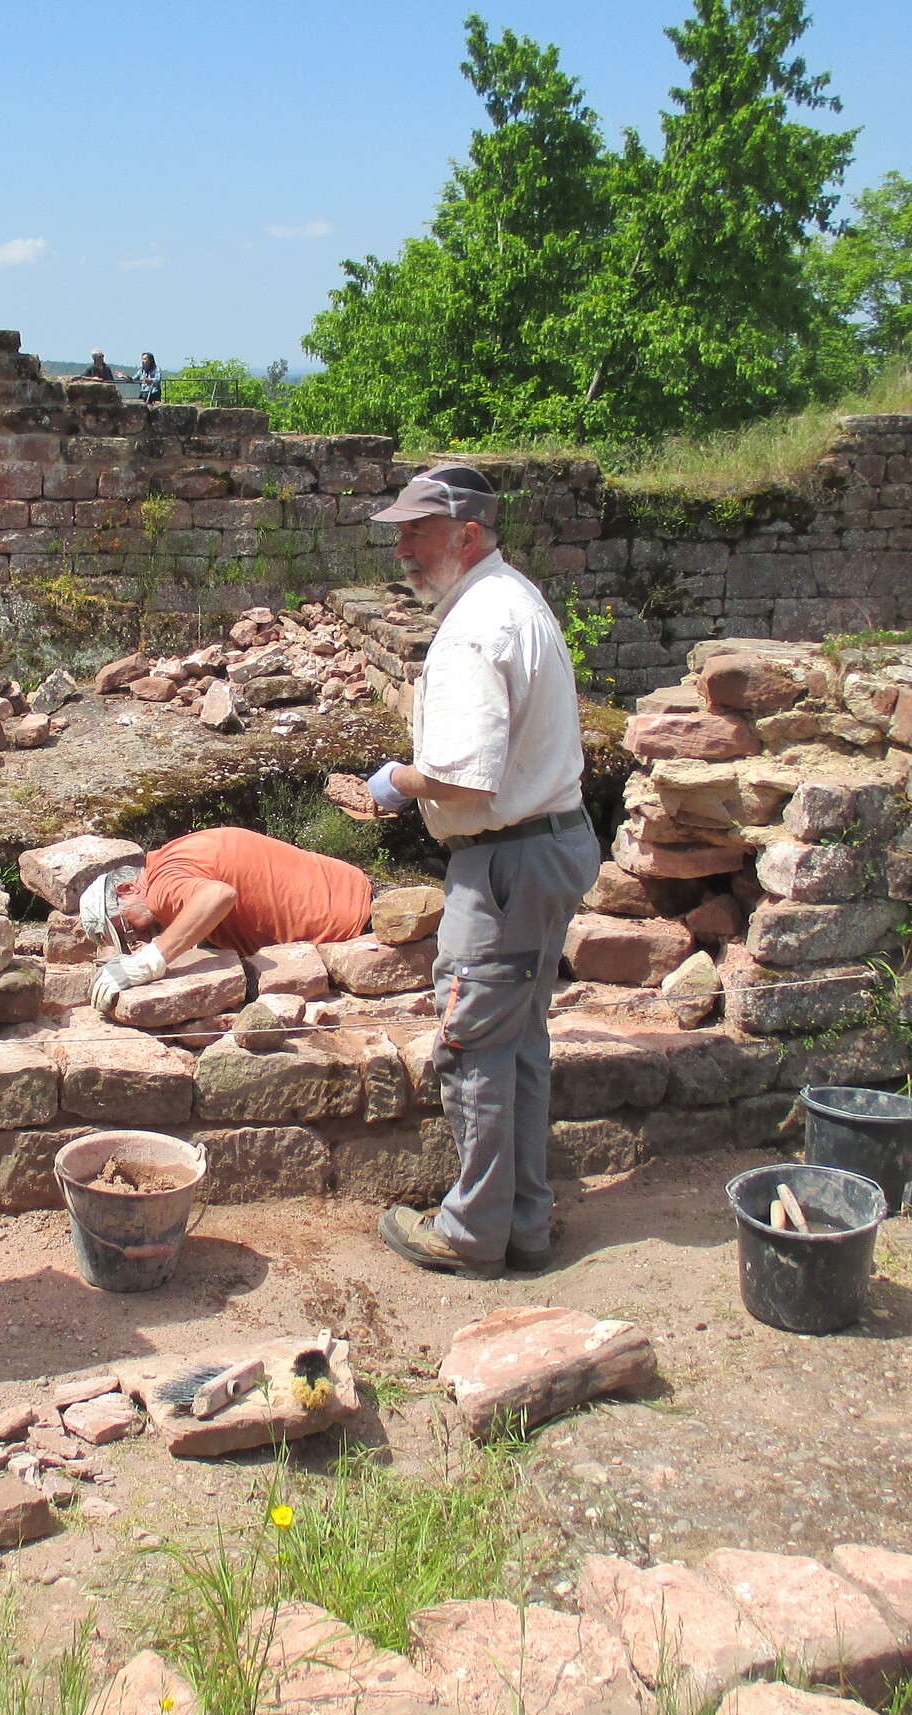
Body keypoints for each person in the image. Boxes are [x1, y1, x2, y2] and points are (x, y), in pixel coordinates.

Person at [359, 465, 597, 1279]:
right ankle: (523, 1222)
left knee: (471, 1048)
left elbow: (462, 781)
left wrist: (397, 783)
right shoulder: (515, 598)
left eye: (416, 533)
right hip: (553, 843)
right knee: (518, 1041)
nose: (401, 550)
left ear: (467, 534)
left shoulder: (470, 629)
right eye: (398, 534)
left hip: (505, 863)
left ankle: (471, 1234)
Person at [80, 827, 372, 1013]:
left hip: (352, 926)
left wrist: (149, 961)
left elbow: (219, 894)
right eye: (130, 942)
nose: (142, 938)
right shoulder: (173, 854)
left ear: (127, 889)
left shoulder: (160, 891)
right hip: (355, 890)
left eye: (129, 929)